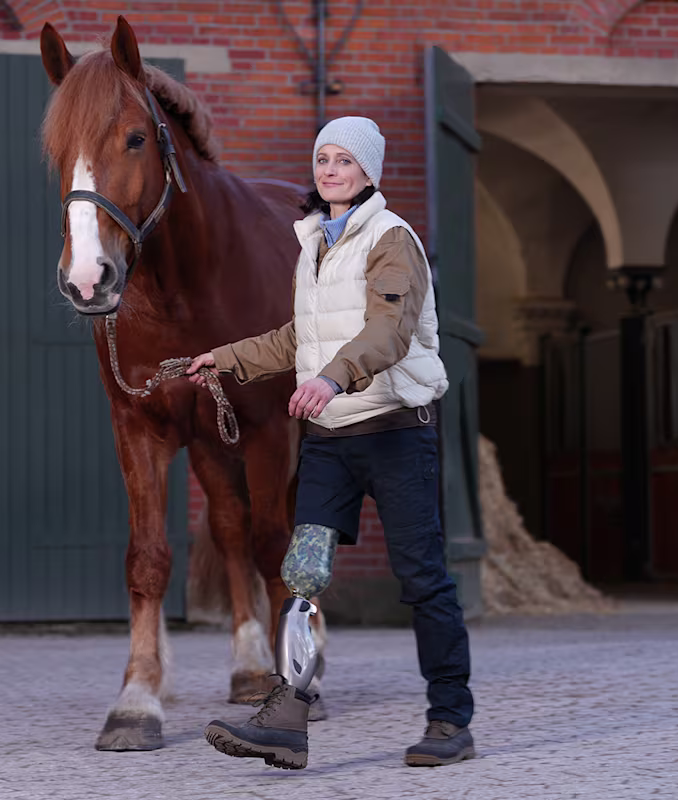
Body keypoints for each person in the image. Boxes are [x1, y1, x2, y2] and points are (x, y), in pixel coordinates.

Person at [187, 116, 474, 770]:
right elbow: (296, 338)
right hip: (330, 444)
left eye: (344, 160)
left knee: (422, 578)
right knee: (302, 573)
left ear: (369, 172)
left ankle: (449, 717)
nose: (329, 170)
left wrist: (331, 377)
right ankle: (288, 715)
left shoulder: (392, 240)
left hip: (398, 434)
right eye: (322, 159)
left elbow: (389, 332)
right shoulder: (314, 242)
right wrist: (225, 357)